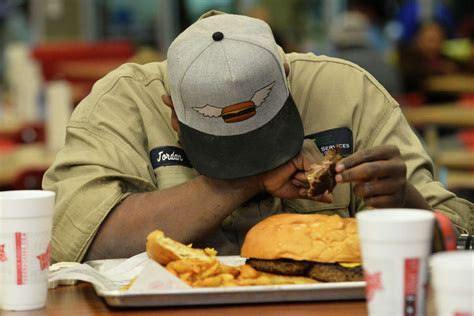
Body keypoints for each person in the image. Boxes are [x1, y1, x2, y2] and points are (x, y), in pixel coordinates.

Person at [43, 11, 473, 263]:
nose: (249, 154)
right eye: (227, 147)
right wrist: (243, 180)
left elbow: (457, 240)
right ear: (171, 107)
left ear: (287, 76)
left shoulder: (349, 93)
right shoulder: (124, 102)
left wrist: (405, 204)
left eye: (263, 134)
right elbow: (71, 243)